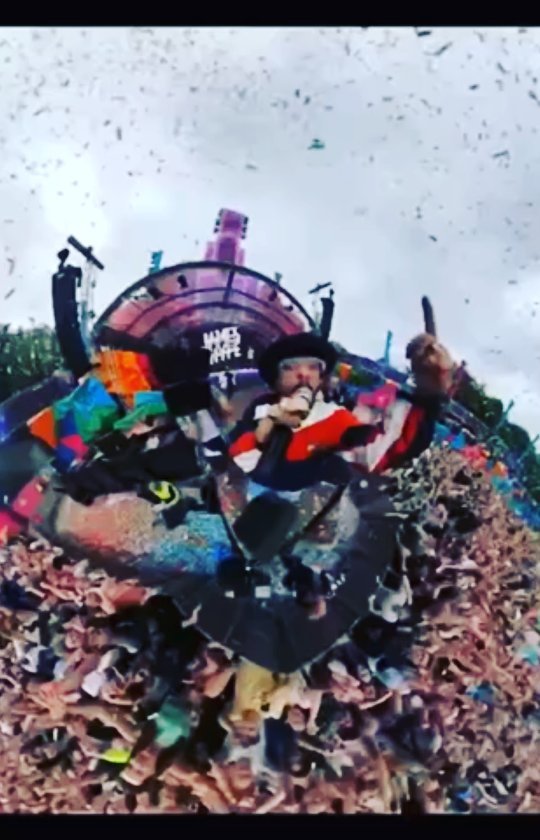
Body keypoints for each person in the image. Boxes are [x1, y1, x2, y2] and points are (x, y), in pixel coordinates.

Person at [228, 331, 456, 492]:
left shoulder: (337, 418)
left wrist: (432, 390)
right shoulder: (259, 409)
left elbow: (383, 449)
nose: (303, 374)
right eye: (290, 367)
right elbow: (233, 460)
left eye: (313, 367)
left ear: (322, 378)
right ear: (275, 380)